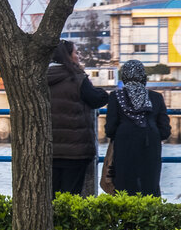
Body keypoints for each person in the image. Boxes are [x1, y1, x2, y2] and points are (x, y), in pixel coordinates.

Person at [47, 39, 108, 197]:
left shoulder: (42, 78)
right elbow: (96, 99)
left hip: (49, 149)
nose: (78, 56)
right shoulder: (76, 78)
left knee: (51, 195)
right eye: (75, 52)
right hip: (75, 150)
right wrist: (104, 93)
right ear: (67, 56)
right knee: (70, 196)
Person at [104, 60, 171, 196]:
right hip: (150, 146)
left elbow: (110, 129)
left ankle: (125, 215)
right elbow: (165, 131)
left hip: (124, 147)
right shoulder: (156, 98)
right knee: (149, 185)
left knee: (124, 186)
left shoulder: (115, 97)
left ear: (124, 76)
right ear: (143, 76)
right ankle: (149, 215)